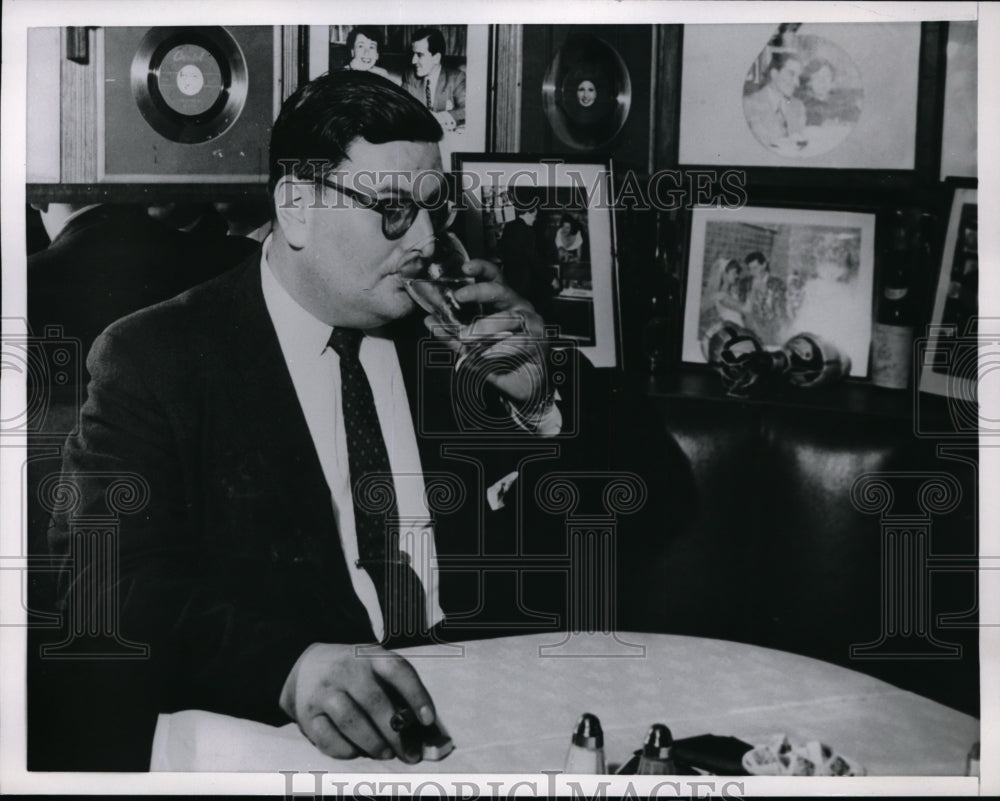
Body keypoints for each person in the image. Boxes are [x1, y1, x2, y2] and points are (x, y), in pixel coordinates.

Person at [47, 71, 601, 769]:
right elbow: (104, 587)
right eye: (395, 209)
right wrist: (289, 667)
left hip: (480, 718)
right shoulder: (157, 357)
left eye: (437, 208)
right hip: (277, 742)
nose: (428, 238)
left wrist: (539, 395)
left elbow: (644, 500)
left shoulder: (448, 337)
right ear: (298, 206)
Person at [498, 203, 560, 317]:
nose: (535, 219)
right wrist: (551, 279)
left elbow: (502, 251)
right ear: (527, 213)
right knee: (530, 311)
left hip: (510, 278)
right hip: (525, 282)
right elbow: (534, 259)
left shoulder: (509, 226)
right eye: (534, 215)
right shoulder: (528, 231)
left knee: (515, 311)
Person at [403, 27, 466, 131]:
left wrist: (440, 118)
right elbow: (402, 107)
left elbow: (467, 109)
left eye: (419, 55)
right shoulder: (410, 76)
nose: (413, 61)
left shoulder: (456, 78)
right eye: (413, 54)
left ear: (436, 58)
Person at [742, 52, 807, 150]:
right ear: (774, 74)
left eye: (798, 76)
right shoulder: (748, 104)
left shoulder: (799, 106)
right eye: (791, 74)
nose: (796, 83)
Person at [738, 251, 788, 343]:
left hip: (771, 330)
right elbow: (742, 306)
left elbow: (780, 309)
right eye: (750, 269)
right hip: (750, 328)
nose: (752, 272)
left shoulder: (777, 283)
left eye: (755, 268)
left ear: (764, 265)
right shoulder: (744, 283)